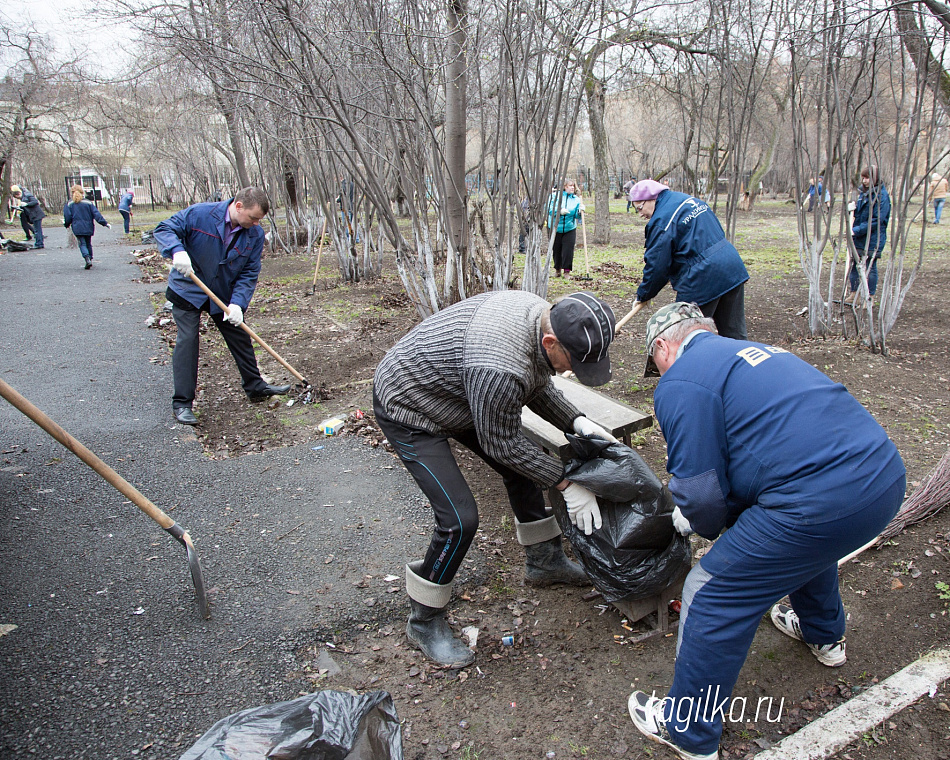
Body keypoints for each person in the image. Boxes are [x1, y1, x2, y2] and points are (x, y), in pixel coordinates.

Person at [626, 302, 905, 760]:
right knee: (806, 546)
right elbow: (771, 450)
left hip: (819, 501)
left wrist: (696, 523)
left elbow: (700, 494)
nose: (658, 373)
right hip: (882, 478)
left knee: (712, 590)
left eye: (655, 363)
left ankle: (688, 729)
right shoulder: (756, 351)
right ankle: (824, 635)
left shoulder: (682, 379)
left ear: (663, 346)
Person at [373, 291, 619, 668]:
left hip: (463, 391)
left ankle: (544, 561)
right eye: (573, 361)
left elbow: (536, 383)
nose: (572, 371)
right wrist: (566, 482)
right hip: (410, 403)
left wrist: (576, 420)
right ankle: (423, 620)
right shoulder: (499, 364)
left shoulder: (538, 315)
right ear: (551, 341)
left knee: (523, 470)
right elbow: (500, 443)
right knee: (459, 520)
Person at [154, 187, 291, 426]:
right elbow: (164, 228)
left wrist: (238, 304)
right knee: (188, 341)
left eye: (260, 219)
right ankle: (183, 403)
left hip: (223, 293)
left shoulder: (254, 235)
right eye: (253, 217)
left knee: (239, 334)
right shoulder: (200, 215)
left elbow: (249, 273)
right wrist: (177, 252)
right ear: (238, 207)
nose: (257, 223)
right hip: (188, 288)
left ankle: (255, 386)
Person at [628, 179, 749, 342]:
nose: (641, 214)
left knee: (684, 338)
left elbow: (657, 266)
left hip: (702, 278)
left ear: (652, 198)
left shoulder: (661, 220)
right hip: (731, 268)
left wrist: (643, 294)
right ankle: (741, 366)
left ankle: (689, 367)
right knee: (734, 335)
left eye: (640, 208)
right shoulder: (689, 201)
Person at [848, 166, 890, 297]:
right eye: (863, 178)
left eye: (867, 178)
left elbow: (877, 220)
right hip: (859, 237)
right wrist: (851, 209)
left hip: (873, 238)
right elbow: (860, 215)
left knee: (870, 267)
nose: (864, 181)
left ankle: (869, 296)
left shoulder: (882, 197)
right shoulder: (863, 194)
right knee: (855, 265)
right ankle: (854, 294)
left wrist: (857, 230)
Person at [63, 184, 111, 269]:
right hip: (89, 226)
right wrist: (105, 223)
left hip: (77, 227)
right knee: (88, 243)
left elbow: (68, 217)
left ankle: (87, 258)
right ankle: (90, 259)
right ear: (82, 192)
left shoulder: (69, 204)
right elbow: (96, 214)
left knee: (82, 243)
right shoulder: (88, 202)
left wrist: (67, 224)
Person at [546, 179, 584, 277]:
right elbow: (549, 210)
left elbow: (576, 215)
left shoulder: (576, 199)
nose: (572, 188)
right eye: (570, 186)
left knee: (568, 249)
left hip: (569, 228)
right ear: (564, 187)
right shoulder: (554, 197)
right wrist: (558, 211)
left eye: (573, 186)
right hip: (555, 227)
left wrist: (580, 212)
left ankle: (567, 271)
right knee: (556, 248)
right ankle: (557, 269)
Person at [10, 185, 46, 249]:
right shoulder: (24, 196)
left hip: (36, 214)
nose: (18, 199)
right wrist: (20, 207)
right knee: (37, 229)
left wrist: (27, 204)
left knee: (37, 230)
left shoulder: (27, 195)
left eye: (17, 197)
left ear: (18, 193)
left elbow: (35, 202)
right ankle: (39, 243)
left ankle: (39, 244)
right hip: (34, 214)